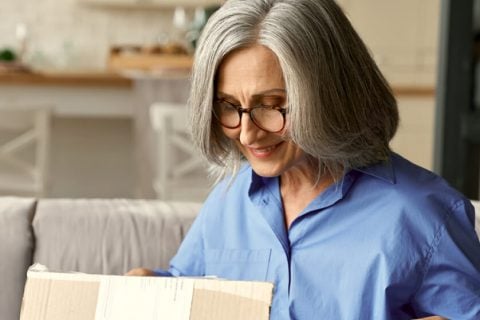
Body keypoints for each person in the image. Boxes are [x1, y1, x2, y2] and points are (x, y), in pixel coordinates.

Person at [128, 0, 480, 319]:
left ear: (331, 95)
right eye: (229, 106)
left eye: (272, 106)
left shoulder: (424, 214)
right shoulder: (229, 200)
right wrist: (152, 285)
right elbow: (186, 286)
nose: (248, 134)